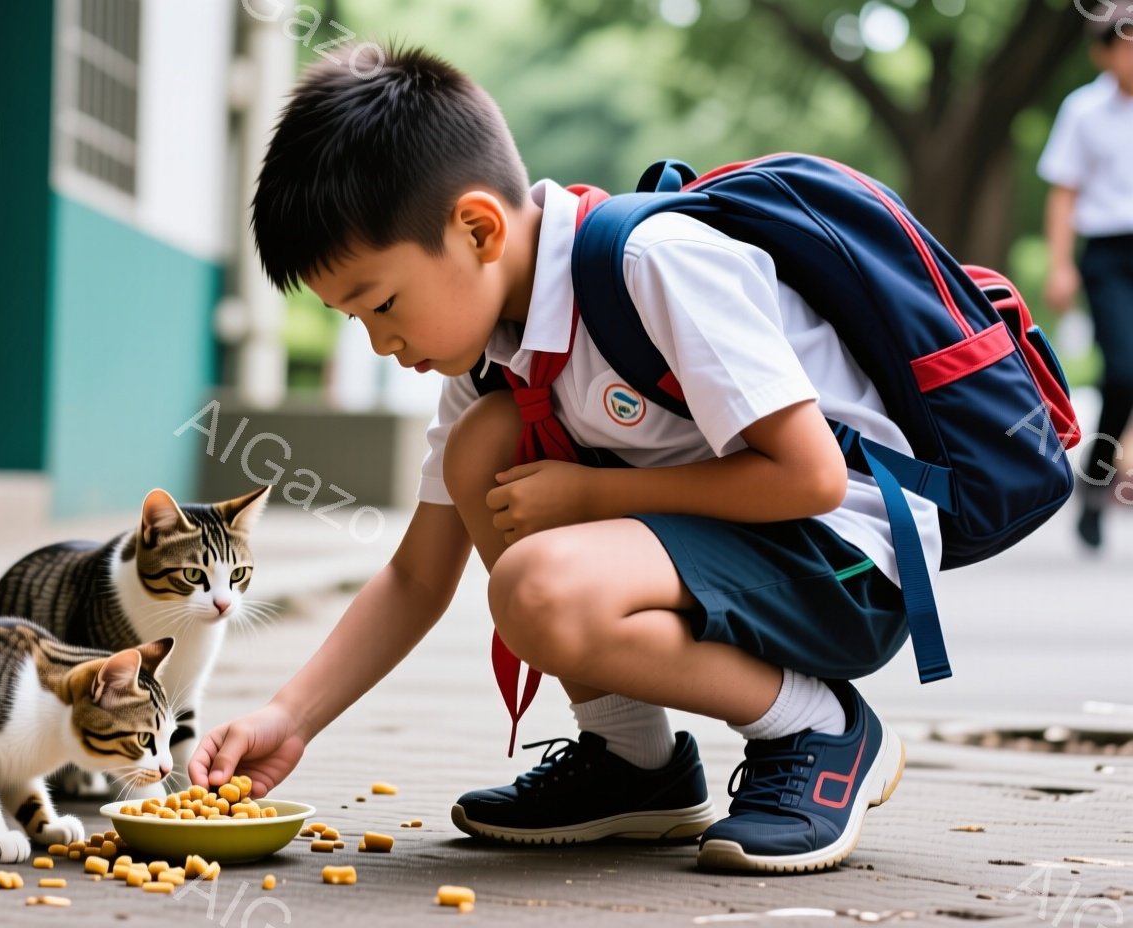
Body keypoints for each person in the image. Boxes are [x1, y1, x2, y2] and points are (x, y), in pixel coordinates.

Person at [190, 46, 928, 874]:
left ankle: (820, 729)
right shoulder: (489, 361)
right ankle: (632, 762)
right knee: (483, 448)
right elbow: (417, 577)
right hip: (750, 553)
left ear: (477, 228)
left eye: (382, 303)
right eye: (352, 319)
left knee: (538, 585)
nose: (381, 342)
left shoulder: (653, 266)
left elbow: (813, 477)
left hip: (847, 562)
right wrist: (288, 718)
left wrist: (593, 494)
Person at [1041, 1, 1133, 551]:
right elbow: (1064, 192)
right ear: (1103, 52)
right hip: (1108, 255)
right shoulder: (1083, 110)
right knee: (1123, 372)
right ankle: (1094, 484)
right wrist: (1060, 264)